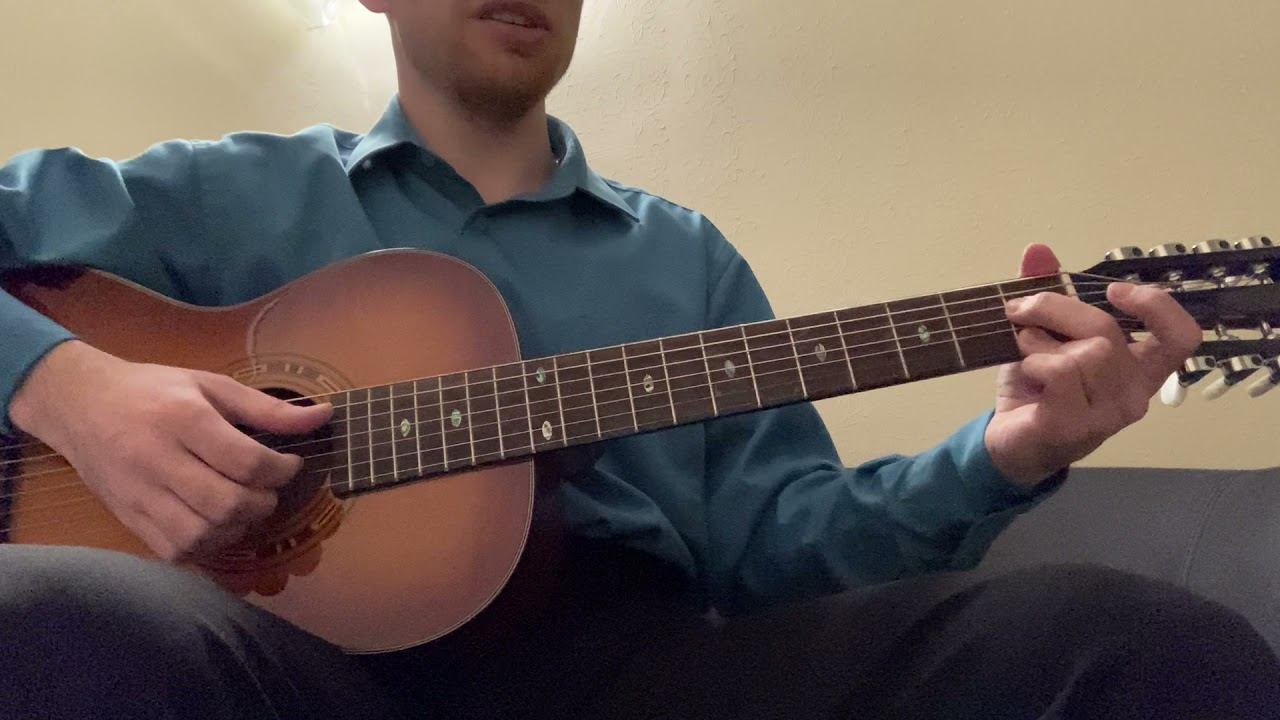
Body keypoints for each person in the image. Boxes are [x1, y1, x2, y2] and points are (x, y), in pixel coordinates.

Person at [0, 1, 1276, 718]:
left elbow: (779, 553)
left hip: (635, 674)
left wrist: (1005, 455)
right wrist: (74, 389)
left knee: (1127, 642)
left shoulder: (684, 257)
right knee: (52, 610)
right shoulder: (221, 194)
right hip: (297, 677)